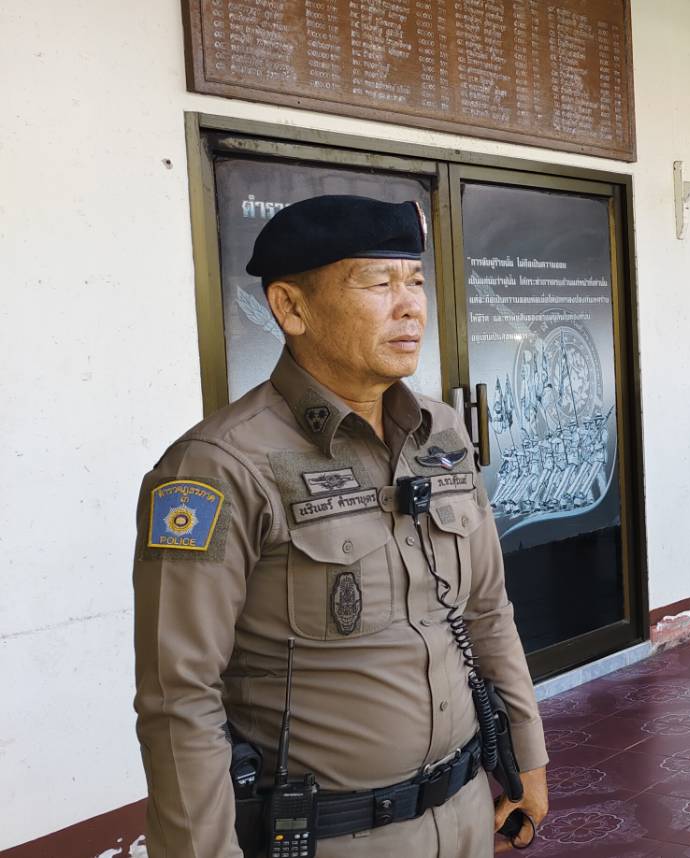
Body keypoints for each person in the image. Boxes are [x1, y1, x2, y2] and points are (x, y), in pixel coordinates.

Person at [131, 195, 548, 857]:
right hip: (331, 836)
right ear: (290, 308)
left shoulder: (440, 433)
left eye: (415, 282)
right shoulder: (218, 466)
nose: (410, 307)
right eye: (378, 284)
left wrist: (526, 753)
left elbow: (487, 610)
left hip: (467, 810)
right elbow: (179, 696)